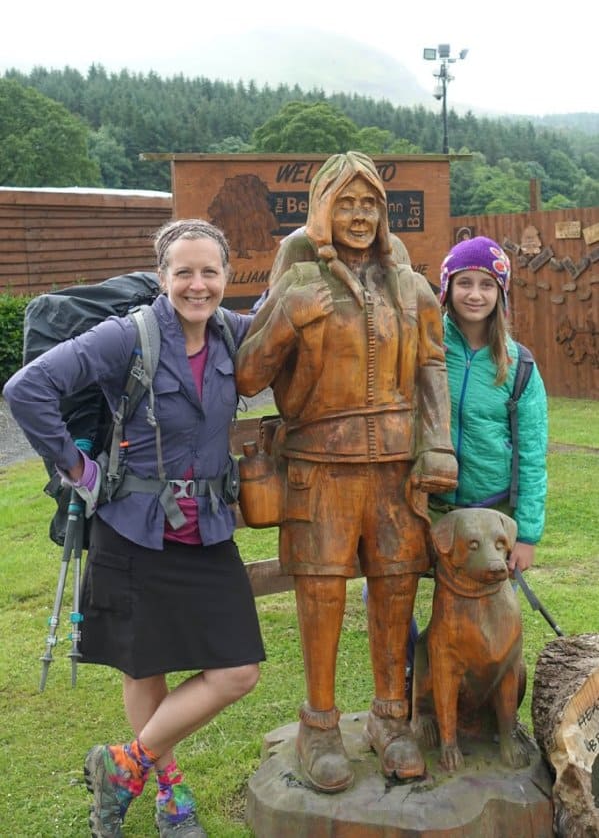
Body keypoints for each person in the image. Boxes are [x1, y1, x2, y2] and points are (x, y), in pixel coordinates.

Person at [3, 219, 266, 838]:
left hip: (207, 530)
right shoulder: (127, 336)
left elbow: (309, 336)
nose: (197, 285)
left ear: (226, 277)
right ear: (162, 276)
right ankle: (171, 796)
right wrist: (76, 469)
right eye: (184, 272)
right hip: (132, 528)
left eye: (209, 272)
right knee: (144, 665)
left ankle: (123, 766)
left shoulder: (237, 335)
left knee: (237, 671)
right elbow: (28, 387)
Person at [235, 151, 457, 792]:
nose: (359, 217)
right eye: (346, 204)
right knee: (323, 592)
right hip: (317, 468)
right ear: (321, 210)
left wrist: (437, 442)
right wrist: (284, 315)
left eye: (371, 205)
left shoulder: (410, 287)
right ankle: (321, 725)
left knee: (394, 587)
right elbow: (248, 375)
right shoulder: (298, 282)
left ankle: (390, 717)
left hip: (393, 468)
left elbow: (431, 369)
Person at [431, 235, 548, 571]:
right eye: (464, 282)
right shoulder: (424, 346)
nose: (475, 294)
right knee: (381, 595)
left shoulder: (519, 365)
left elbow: (531, 456)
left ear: (500, 293)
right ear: (448, 287)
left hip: (492, 514)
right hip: (428, 506)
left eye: (487, 284)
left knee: (483, 619)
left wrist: (526, 536)